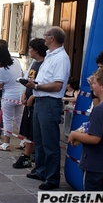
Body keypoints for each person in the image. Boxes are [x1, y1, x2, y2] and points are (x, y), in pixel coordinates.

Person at [23, 26, 70, 190]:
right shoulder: (50, 56)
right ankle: (41, 170)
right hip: (41, 100)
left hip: (50, 102)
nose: (44, 37)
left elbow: (57, 85)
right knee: (40, 139)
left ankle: (52, 178)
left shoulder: (61, 58)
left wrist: (36, 86)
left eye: (46, 35)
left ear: (52, 38)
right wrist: (35, 88)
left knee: (50, 142)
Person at [68, 67, 103, 192]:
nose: (92, 85)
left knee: (93, 202)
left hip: (94, 163)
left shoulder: (100, 109)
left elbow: (95, 138)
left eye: (95, 83)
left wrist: (75, 134)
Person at [13, 38, 47, 168]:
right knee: (27, 129)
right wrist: (24, 93)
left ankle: (29, 155)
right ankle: (27, 155)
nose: (29, 51)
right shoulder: (34, 63)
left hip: (35, 101)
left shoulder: (44, 65)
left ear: (36, 50)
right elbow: (29, 79)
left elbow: (41, 83)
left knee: (33, 130)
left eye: (31, 48)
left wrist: (32, 96)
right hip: (28, 100)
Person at [0, 44, 23, 151]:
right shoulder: (16, 62)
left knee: (7, 119)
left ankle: (6, 144)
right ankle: (24, 140)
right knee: (19, 118)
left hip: (9, 95)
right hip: (20, 94)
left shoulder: (1, 69)